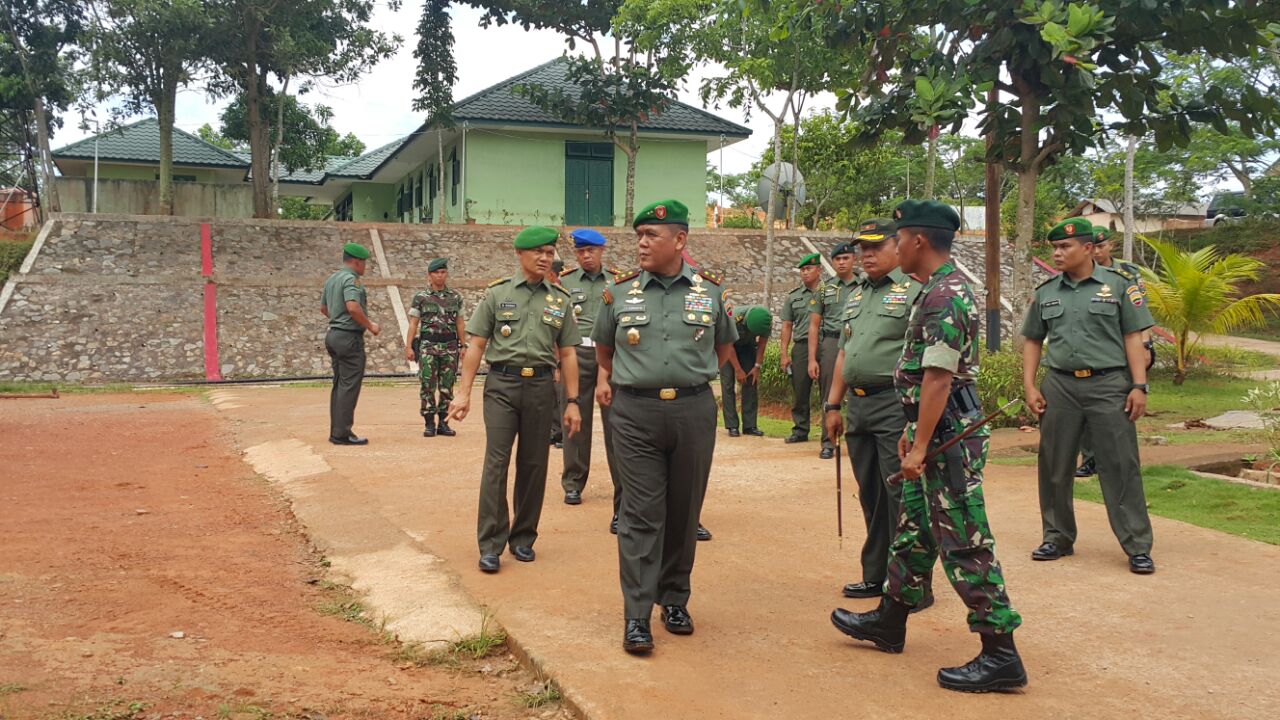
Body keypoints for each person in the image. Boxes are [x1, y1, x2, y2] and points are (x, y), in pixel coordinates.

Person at [831, 199, 1026, 693]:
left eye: (896, 238)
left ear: (916, 241)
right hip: (933, 430)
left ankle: (1000, 652)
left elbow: (939, 378)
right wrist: (913, 429)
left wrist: (920, 444)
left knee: (963, 539)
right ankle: (890, 621)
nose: (892, 247)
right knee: (914, 530)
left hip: (947, 438)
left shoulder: (945, 296)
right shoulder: (934, 288)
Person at [592, 199, 736, 655]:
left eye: (651, 236)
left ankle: (674, 599)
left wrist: (693, 376)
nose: (641, 243)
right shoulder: (619, 292)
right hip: (635, 414)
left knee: (684, 510)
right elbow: (604, 350)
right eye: (638, 236)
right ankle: (637, 615)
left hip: (693, 410)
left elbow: (724, 348)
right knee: (640, 513)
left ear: (680, 240)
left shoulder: (710, 292)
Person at [1022, 218, 1156, 575]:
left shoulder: (1119, 286)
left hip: (1109, 384)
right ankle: (1057, 537)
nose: (1057, 253)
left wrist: (1138, 386)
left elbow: (1134, 337)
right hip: (1061, 386)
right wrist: (1031, 385)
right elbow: (1033, 339)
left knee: (1120, 465)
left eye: (1065, 247)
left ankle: (1137, 545)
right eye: (1055, 247)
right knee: (1054, 464)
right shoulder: (1048, 290)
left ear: (1087, 248)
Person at [448, 226, 582, 575]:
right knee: (497, 462)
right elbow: (476, 345)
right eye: (538, 251)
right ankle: (491, 543)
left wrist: (572, 401)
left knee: (534, 463)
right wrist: (463, 393)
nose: (545, 258)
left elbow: (567, 354)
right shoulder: (497, 294)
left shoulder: (560, 299)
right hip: (502, 385)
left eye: (550, 253)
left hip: (540, 387)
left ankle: (523, 537)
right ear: (519, 254)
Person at [822, 219, 929, 604]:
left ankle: (913, 582)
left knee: (900, 493)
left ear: (896, 248)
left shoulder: (915, 290)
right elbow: (845, 354)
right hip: (860, 405)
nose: (865, 255)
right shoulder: (856, 294)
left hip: (895, 403)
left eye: (874, 247)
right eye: (861, 249)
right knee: (870, 492)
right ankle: (877, 573)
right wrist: (833, 404)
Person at [1074, 225, 1154, 477]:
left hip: (1123, 348)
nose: (1097, 252)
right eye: (1093, 246)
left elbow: (1140, 314)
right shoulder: (1076, 273)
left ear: (1110, 246)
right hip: (1092, 348)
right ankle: (1090, 459)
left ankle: (1118, 460)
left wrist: (1146, 346)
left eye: (1101, 246)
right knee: (1084, 408)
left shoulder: (1127, 273)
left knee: (1121, 405)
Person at [559, 228, 622, 516]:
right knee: (574, 418)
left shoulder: (619, 281)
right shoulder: (565, 282)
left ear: (601, 251)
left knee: (617, 421)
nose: (586, 256)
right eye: (581, 252)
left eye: (591, 251)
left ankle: (623, 482)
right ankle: (573, 481)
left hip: (610, 355)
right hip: (578, 353)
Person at [320, 242, 380, 445]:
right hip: (348, 337)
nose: (365, 267)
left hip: (334, 334)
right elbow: (353, 307)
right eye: (364, 263)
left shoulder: (332, 279)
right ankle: (342, 433)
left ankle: (337, 430)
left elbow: (323, 308)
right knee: (349, 386)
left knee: (339, 385)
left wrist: (337, 318)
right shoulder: (351, 280)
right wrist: (370, 325)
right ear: (356, 262)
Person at [808, 241, 860, 459]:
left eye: (845, 258)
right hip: (831, 344)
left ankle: (859, 441)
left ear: (853, 259)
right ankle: (828, 442)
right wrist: (812, 358)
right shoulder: (824, 289)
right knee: (829, 393)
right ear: (832, 262)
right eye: (837, 259)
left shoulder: (865, 286)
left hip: (858, 342)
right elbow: (813, 324)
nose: (841, 262)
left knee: (861, 393)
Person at [405, 257, 465, 438]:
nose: (440, 276)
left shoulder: (455, 297)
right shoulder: (421, 297)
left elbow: (460, 323)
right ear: (429, 275)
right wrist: (408, 346)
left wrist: (463, 345)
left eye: (443, 272)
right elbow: (413, 323)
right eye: (436, 273)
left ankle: (444, 423)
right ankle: (429, 423)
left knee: (447, 386)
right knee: (427, 385)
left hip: (450, 347)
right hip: (428, 346)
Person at [779, 253, 824, 444]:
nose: (805, 273)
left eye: (809, 269)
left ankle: (828, 435)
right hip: (802, 347)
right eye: (802, 270)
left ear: (819, 270)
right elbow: (787, 325)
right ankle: (800, 429)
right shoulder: (793, 297)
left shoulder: (829, 292)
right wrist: (784, 354)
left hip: (826, 344)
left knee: (827, 392)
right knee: (800, 390)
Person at [719, 306, 772, 437]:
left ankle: (750, 426)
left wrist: (757, 366)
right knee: (727, 384)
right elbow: (729, 346)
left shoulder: (765, 321)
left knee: (751, 381)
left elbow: (762, 344)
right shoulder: (733, 319)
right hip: (726, 346)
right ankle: (732, 425)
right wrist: (738, 370)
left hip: (747, 346)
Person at [548, 259, 567, 449]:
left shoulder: (562, 297)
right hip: (548, 354)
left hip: (561, 354)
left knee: (561, 393)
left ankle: (562, 433)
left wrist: (560, 362)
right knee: (552, 394)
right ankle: (555, 430)